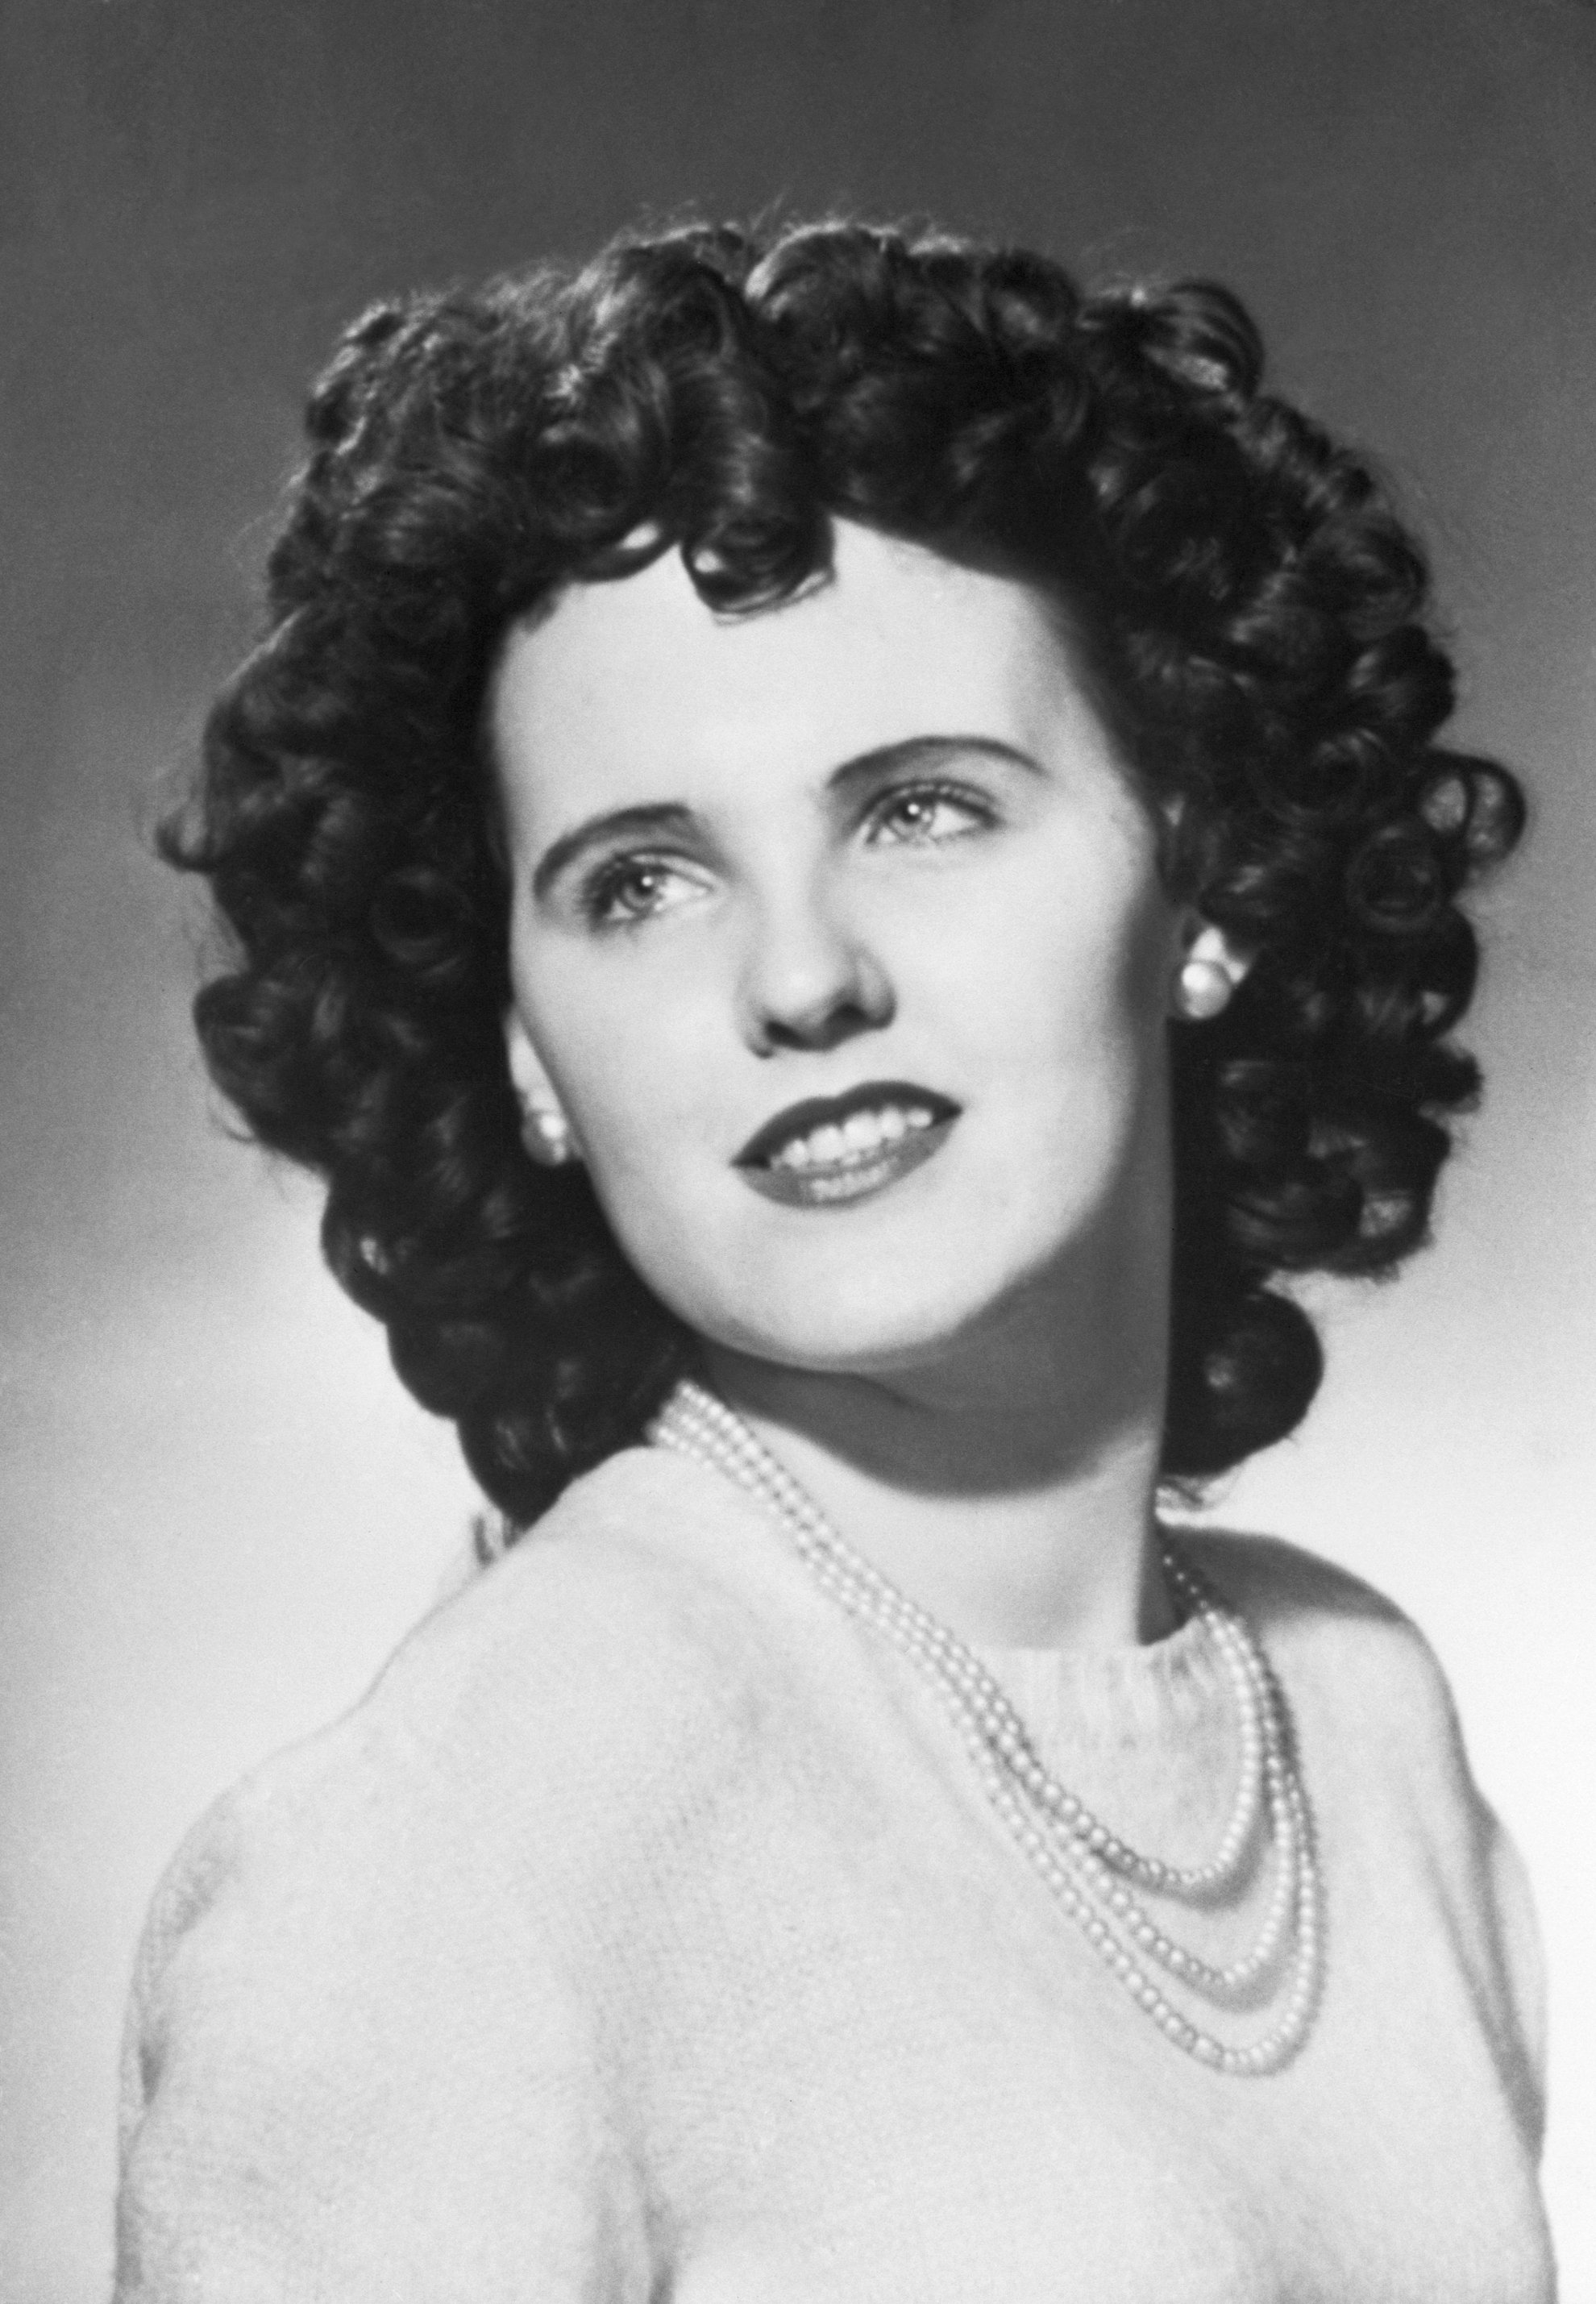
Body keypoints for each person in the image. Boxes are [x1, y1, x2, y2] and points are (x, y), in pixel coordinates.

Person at [113, 218, 1553, 2298]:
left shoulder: (1361, 1720)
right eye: (639, 882)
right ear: (521, 1047)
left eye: (921, 811)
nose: (799, 977)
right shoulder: (464, 1847)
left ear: (1208, 879)